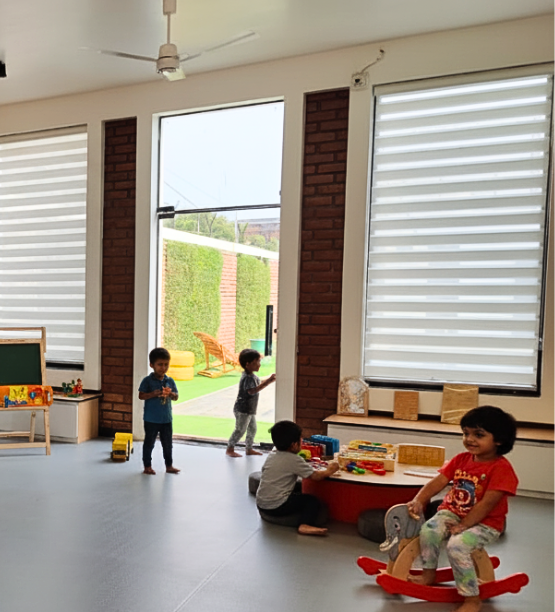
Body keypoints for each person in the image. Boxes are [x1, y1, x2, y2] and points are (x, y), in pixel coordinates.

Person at [406, 406, 518, 612]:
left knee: (456, 546)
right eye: (466, 433)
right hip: (454, 513)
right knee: (429, 530)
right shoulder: (461, 459)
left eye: (479, 435)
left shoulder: (501, 469)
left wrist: (464, 525)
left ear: (499, 440)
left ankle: (472, 599)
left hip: (485, 523)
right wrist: (419, 499)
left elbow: (487, 504)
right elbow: (438, 482)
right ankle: (428, 573)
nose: (469, 439)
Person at [256, 420, 340, 536]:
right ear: (294, 445)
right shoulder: (294, 459)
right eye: (300, 439)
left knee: (297, 486)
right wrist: (330, 470)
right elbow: (316, 476)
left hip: (261, 503)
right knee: (311, 501)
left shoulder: (272, 455)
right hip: (276, 506)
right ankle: (305, 525)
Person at [226, 349, 276, 457]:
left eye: (259, 361)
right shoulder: (248, 378)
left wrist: (269, 379)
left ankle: (249, 449)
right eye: (256, 362)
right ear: (247, 364)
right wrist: (268, 381)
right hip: (243, 410)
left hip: (249, 409)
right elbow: (252, 391)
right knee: (240, 430)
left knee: (252, 429)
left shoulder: (252, 376)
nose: (259, 364)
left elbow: (258, 383)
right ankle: (230, 448)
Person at [138, 347, 180, 475]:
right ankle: (147, 466)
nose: (163, 368)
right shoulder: (147, 381)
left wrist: (170, 394)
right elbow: (141, 395)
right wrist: (153, 394)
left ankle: (169, 465)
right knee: (149, 443)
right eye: (160, 364)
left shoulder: (169, 381)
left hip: (166, 419)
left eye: (166, 364)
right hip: (151, 419)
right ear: (152, 365)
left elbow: (176, 397)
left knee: (167, 443)